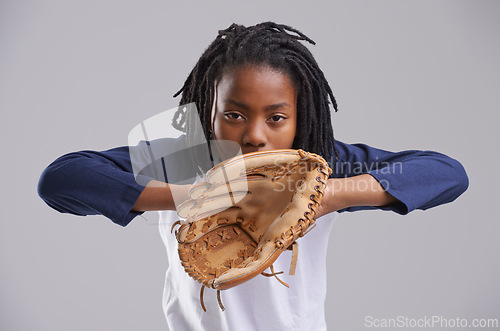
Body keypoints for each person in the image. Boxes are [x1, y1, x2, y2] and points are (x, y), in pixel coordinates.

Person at [37, 22, 468, 331]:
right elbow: (61, 179)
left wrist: (327, 196)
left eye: (277, 117)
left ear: (300, 118)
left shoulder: (317, 165)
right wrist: (195, 196)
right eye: (235, 114)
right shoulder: (183, 160)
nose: (255, 134)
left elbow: (447, 172)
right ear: (209, 109)